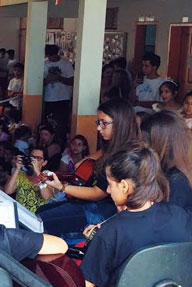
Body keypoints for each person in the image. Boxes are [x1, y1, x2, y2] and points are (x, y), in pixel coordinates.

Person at [68, 144, 192, 287]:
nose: (108, 190)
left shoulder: (113, 230)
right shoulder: (181, 216)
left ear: (125, 185)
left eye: (110, 184)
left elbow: (83, 286)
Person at [41, 97, 140, 236]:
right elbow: (100, 153)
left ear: (120, 123)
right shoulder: (112, 144)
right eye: (98, 122)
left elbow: (98, 193)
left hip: (102, 210)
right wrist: (85, 160)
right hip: (92, 204)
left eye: (104, 123)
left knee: (43, 220)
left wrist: (62, 187)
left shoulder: (123, 156)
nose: (99, 128)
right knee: (42, 211)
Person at [140, 111, 192, 210]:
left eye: (144, 140)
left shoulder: (176, 182)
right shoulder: (165, 171)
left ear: (160, 144)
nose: (141, 145)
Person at [3, 147, 55, 213]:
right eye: (32, 157)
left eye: (38, 158)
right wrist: (17, 168)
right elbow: (8, 191)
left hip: (36, 217)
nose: (34, 160)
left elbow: (46, 196)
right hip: (19, 214)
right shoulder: (21, 175)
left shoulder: (48, 177)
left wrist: (37, 172)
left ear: (44, 163)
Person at [42, 44, 74, 130]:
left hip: (63, 98)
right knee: (48, 124)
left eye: (52, 56)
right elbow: (39, 83)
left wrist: (59, 78)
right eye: (48, 56)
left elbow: (71, 81)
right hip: (48, 98)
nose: (50, 58)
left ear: (57, 54)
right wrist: (47, 80)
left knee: (61, 124)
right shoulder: (45, 64)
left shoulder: (66, 63)